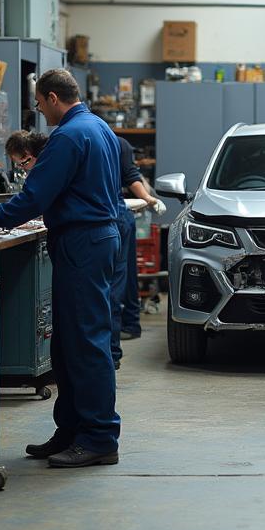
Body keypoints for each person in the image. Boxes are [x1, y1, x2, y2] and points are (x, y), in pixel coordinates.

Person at [0, 69, 124, 469]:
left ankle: (100, 437)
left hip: (83, 241)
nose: (39, 111)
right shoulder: (98, 127)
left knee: (86, 343)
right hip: (91, 238)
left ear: (53, 98)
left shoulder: (68, 136)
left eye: (38, 103)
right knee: (67, 344)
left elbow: (35, 196)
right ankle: (71, 431)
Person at [111, 135, 161, 368]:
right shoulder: (117, 142)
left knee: (114, 282)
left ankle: (112, 350)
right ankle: (130, 324)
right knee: (125, 275)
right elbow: (131, 176)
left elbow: (132, 178)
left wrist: (149, 198)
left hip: (113, 217)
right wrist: (149, 199)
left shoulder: (113, 143)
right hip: (119, 215)